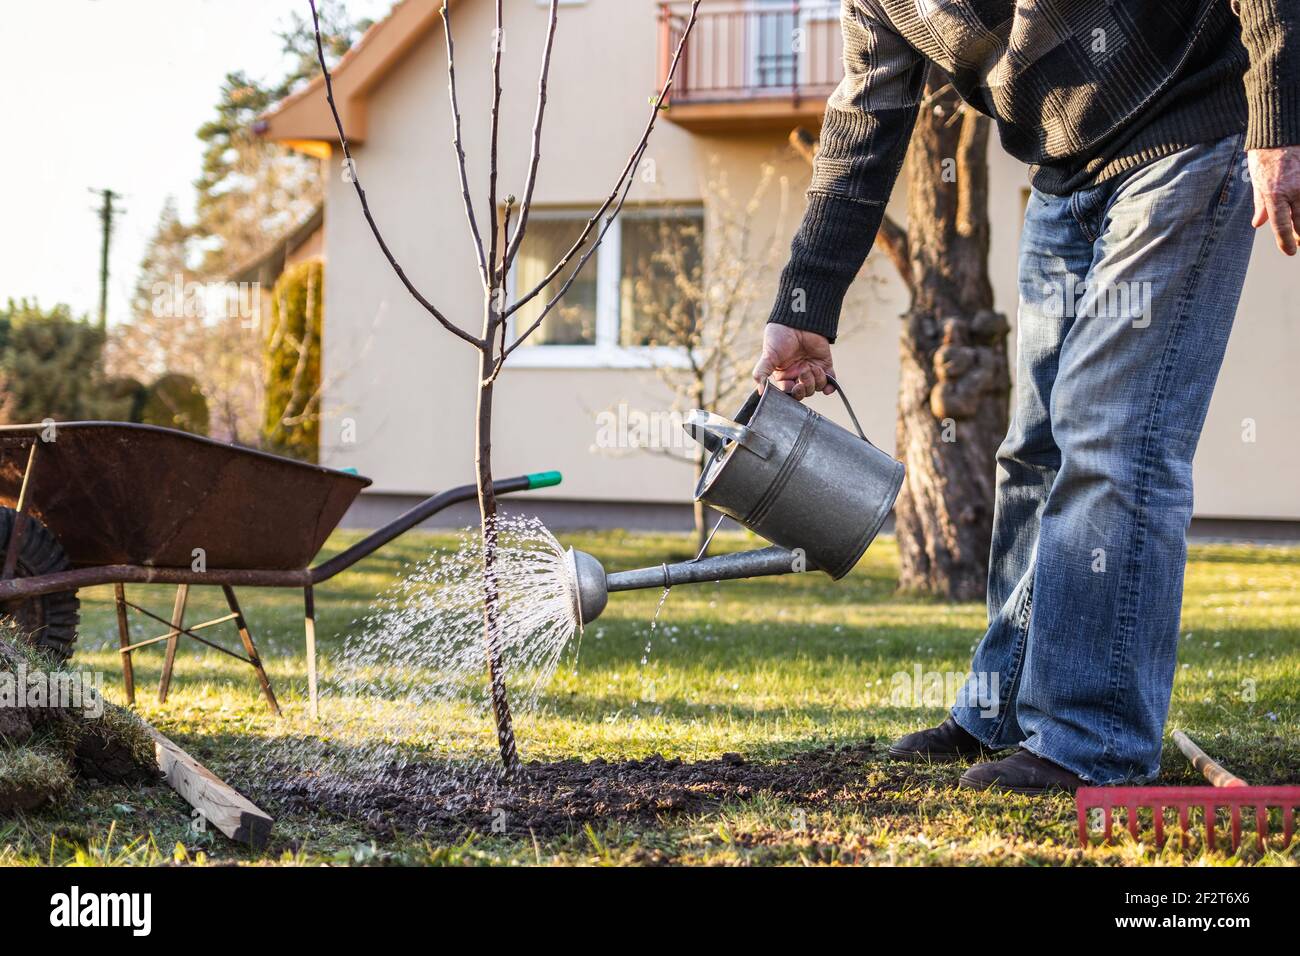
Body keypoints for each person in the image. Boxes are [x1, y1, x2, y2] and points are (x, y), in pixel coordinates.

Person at [752, 0, 1299, 794]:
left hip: (1188, 125)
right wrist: (804, 306)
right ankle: (1002, 707)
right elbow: (865, 115)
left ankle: (1094, 741)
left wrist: (1278, 113)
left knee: (1113, 437)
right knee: (1034, 453)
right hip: (1063, 174)